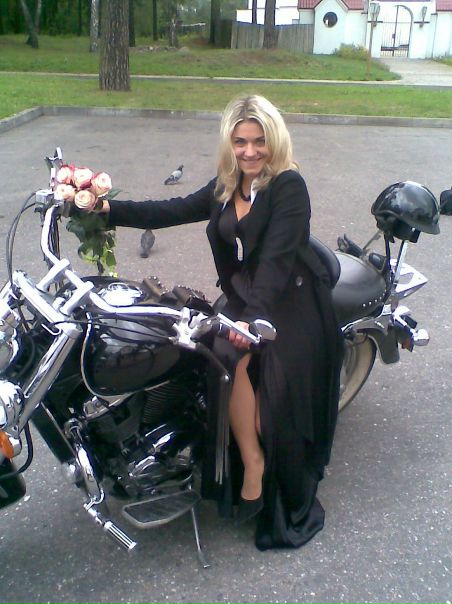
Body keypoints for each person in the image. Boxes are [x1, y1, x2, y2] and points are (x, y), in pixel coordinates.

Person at [95, 95, 343, 550]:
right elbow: (171, 210)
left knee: (238, 364)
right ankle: (224, 451)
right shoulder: (228, 184)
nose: (249, 151)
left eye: (258, 141)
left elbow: (277, 260)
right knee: (201, 351)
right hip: (249, 293)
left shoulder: (288, 186)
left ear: (274, 140)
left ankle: (260, 463)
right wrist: (107, 210)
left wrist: (252, 320)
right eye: (240, 142)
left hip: (290, 300)